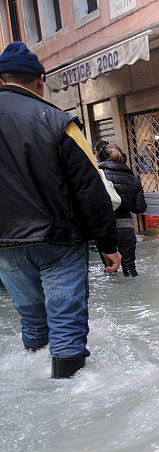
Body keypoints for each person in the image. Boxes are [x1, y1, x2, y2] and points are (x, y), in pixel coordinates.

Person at [0, 42, 121, 378]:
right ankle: (71, 392)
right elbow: (91, 189)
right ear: (41, 79)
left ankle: (37, 379)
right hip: (59, 242)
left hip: (5, 245)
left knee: (32, 317)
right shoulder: (59, 122)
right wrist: (108, 245)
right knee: (65, 322)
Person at [97, 143, 147, 277]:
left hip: (105, 230)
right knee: (130, 268)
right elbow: (140, 208)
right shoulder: (133, 179)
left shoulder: (97, 176)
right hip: (126, 228)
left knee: (110, 269)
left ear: (100, 157)